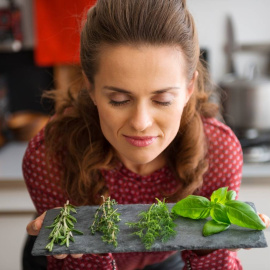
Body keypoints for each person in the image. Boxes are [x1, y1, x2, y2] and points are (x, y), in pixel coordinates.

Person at [23, 0, 270, 269]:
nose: (141, 123)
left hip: (166, 258)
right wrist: (77, 246)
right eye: (118, 99)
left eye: (162, 99)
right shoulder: (50, 154)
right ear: (90, 88)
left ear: (188, 89)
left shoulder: (219, 152)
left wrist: (212, 248)